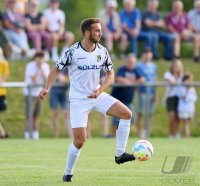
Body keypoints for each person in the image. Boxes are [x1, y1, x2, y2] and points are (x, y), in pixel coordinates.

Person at [39, 18, 135, 182]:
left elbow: (110, 73)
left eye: (100, 30)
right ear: (87, 32)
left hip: (97, 96)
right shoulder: (73, 52)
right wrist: (47, 88)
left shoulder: (102, 51)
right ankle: (68, 173)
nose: (100, 33)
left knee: (126, 114)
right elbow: (56, 69)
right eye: (97, 30)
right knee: (80, 141)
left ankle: (119, 154)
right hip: (78, 101)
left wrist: (101, 90)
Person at [111, 54, 144, 136]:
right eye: (129, 62)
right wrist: (132, 81)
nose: (131, 64)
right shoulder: (122, 69)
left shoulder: (136, 70)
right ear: (126, 62)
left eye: (132, 62)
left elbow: (142, 79)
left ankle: (122, 134)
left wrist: (129, 81)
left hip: (128, 100)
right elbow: (119, 79)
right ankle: (114, 137)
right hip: (117, 99)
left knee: (132, 118)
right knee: (115, 120)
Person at [24, 51, 50, 140]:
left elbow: (47, 80)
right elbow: (34, 80)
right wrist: (38, 69)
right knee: (29, 115)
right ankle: (27, 134)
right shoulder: (30, 66)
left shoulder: (46, 66)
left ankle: (36, 134)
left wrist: (41, 69)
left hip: (39, 93)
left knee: (37, 115)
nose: (40, 60)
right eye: (38, 57)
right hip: (29, 93)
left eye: (41, 57)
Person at [136, 47, 157, 138]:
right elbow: (137, 78)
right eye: (146, 52)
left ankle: (147, 131)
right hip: (142, 92)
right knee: (140, 113)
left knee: (149, 113)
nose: (148, 54)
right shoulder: (139, 66)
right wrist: (138, 90)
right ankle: (139, 132)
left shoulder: (153, 66)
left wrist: (155, 94)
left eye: (149, 52)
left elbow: (154, 79)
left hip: (151, 92)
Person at [49, 68, 72, 138]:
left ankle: (71, 136)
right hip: (54, 92)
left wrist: (66, 80)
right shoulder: (56, 67)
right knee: (55, 113)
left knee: (66, 114)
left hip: (63, 93)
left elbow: (69, 80)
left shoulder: (69, 68)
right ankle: (55, 136)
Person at [163, 59, 183, 138]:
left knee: (178, 117)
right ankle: (171, 134)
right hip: (170, 98)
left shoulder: (181, 76)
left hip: (179, 98)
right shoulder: (168, 74)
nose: (176, 68)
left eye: (178, 66)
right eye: (175, 66)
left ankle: (176, 133)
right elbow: (172, 82)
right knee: (172, 116)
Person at [177, 73, 197, 138]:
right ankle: (186, 136)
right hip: (183, 108)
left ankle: (186, 136)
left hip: (190, 108)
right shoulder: (181, 87)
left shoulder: (192, 89)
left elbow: (194, 98)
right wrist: (187, 89)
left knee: (187, 123)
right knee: (185, 123)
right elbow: (183, 97)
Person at [0, 47, 9, 138]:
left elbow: (5, 75)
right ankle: (3, 133)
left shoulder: (3, 63)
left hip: (1, 92)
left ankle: (3, 133)